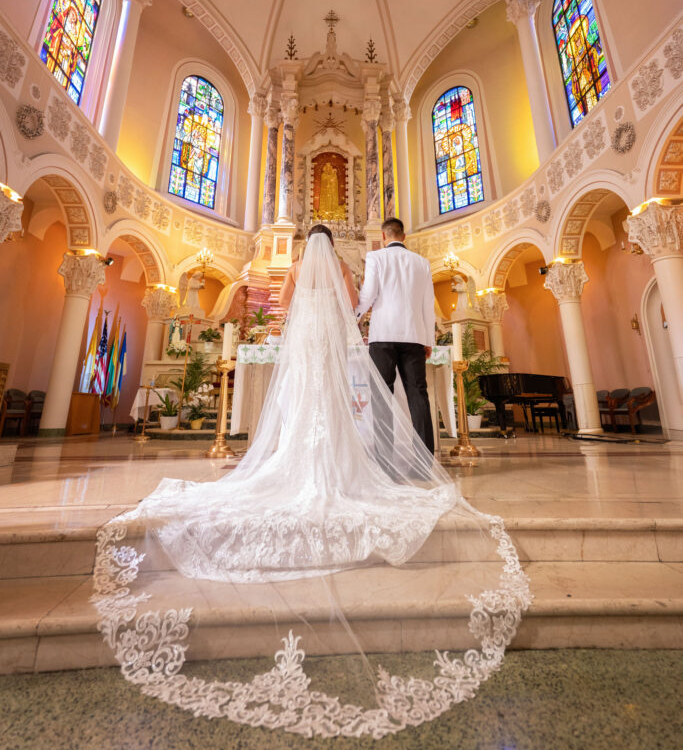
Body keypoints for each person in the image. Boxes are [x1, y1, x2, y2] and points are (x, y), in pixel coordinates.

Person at [90, 228, 530, 739]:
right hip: (361, 334)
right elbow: (352, 303)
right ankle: (402, 460)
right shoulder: (359, 266)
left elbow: (285, 302)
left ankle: (308, 460)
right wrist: (353, 314)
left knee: (306, 404)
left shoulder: (298, 267)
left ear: (305, 246)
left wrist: (328, 307)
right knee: (382, 401)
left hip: (312, 337)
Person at [356, 216, 436, 455]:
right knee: (417, 394)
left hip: (383, 337)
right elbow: (427, 305)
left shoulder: (375, 257)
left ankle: (384, 458)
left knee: (382, 395)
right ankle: (424, 459)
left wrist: (353, 318)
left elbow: (368, 294)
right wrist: (428, 341)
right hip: (414, 336)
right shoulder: (422, 263)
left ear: (383, 236)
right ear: (404, 236)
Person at [280, 223, 358, 310]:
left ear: (309, 244)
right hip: (333, 322)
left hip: (304, 322)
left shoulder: (294, 268)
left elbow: (283, 301)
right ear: (332, 243)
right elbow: (352, 302)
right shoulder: (342, 267)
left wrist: (302, 313)